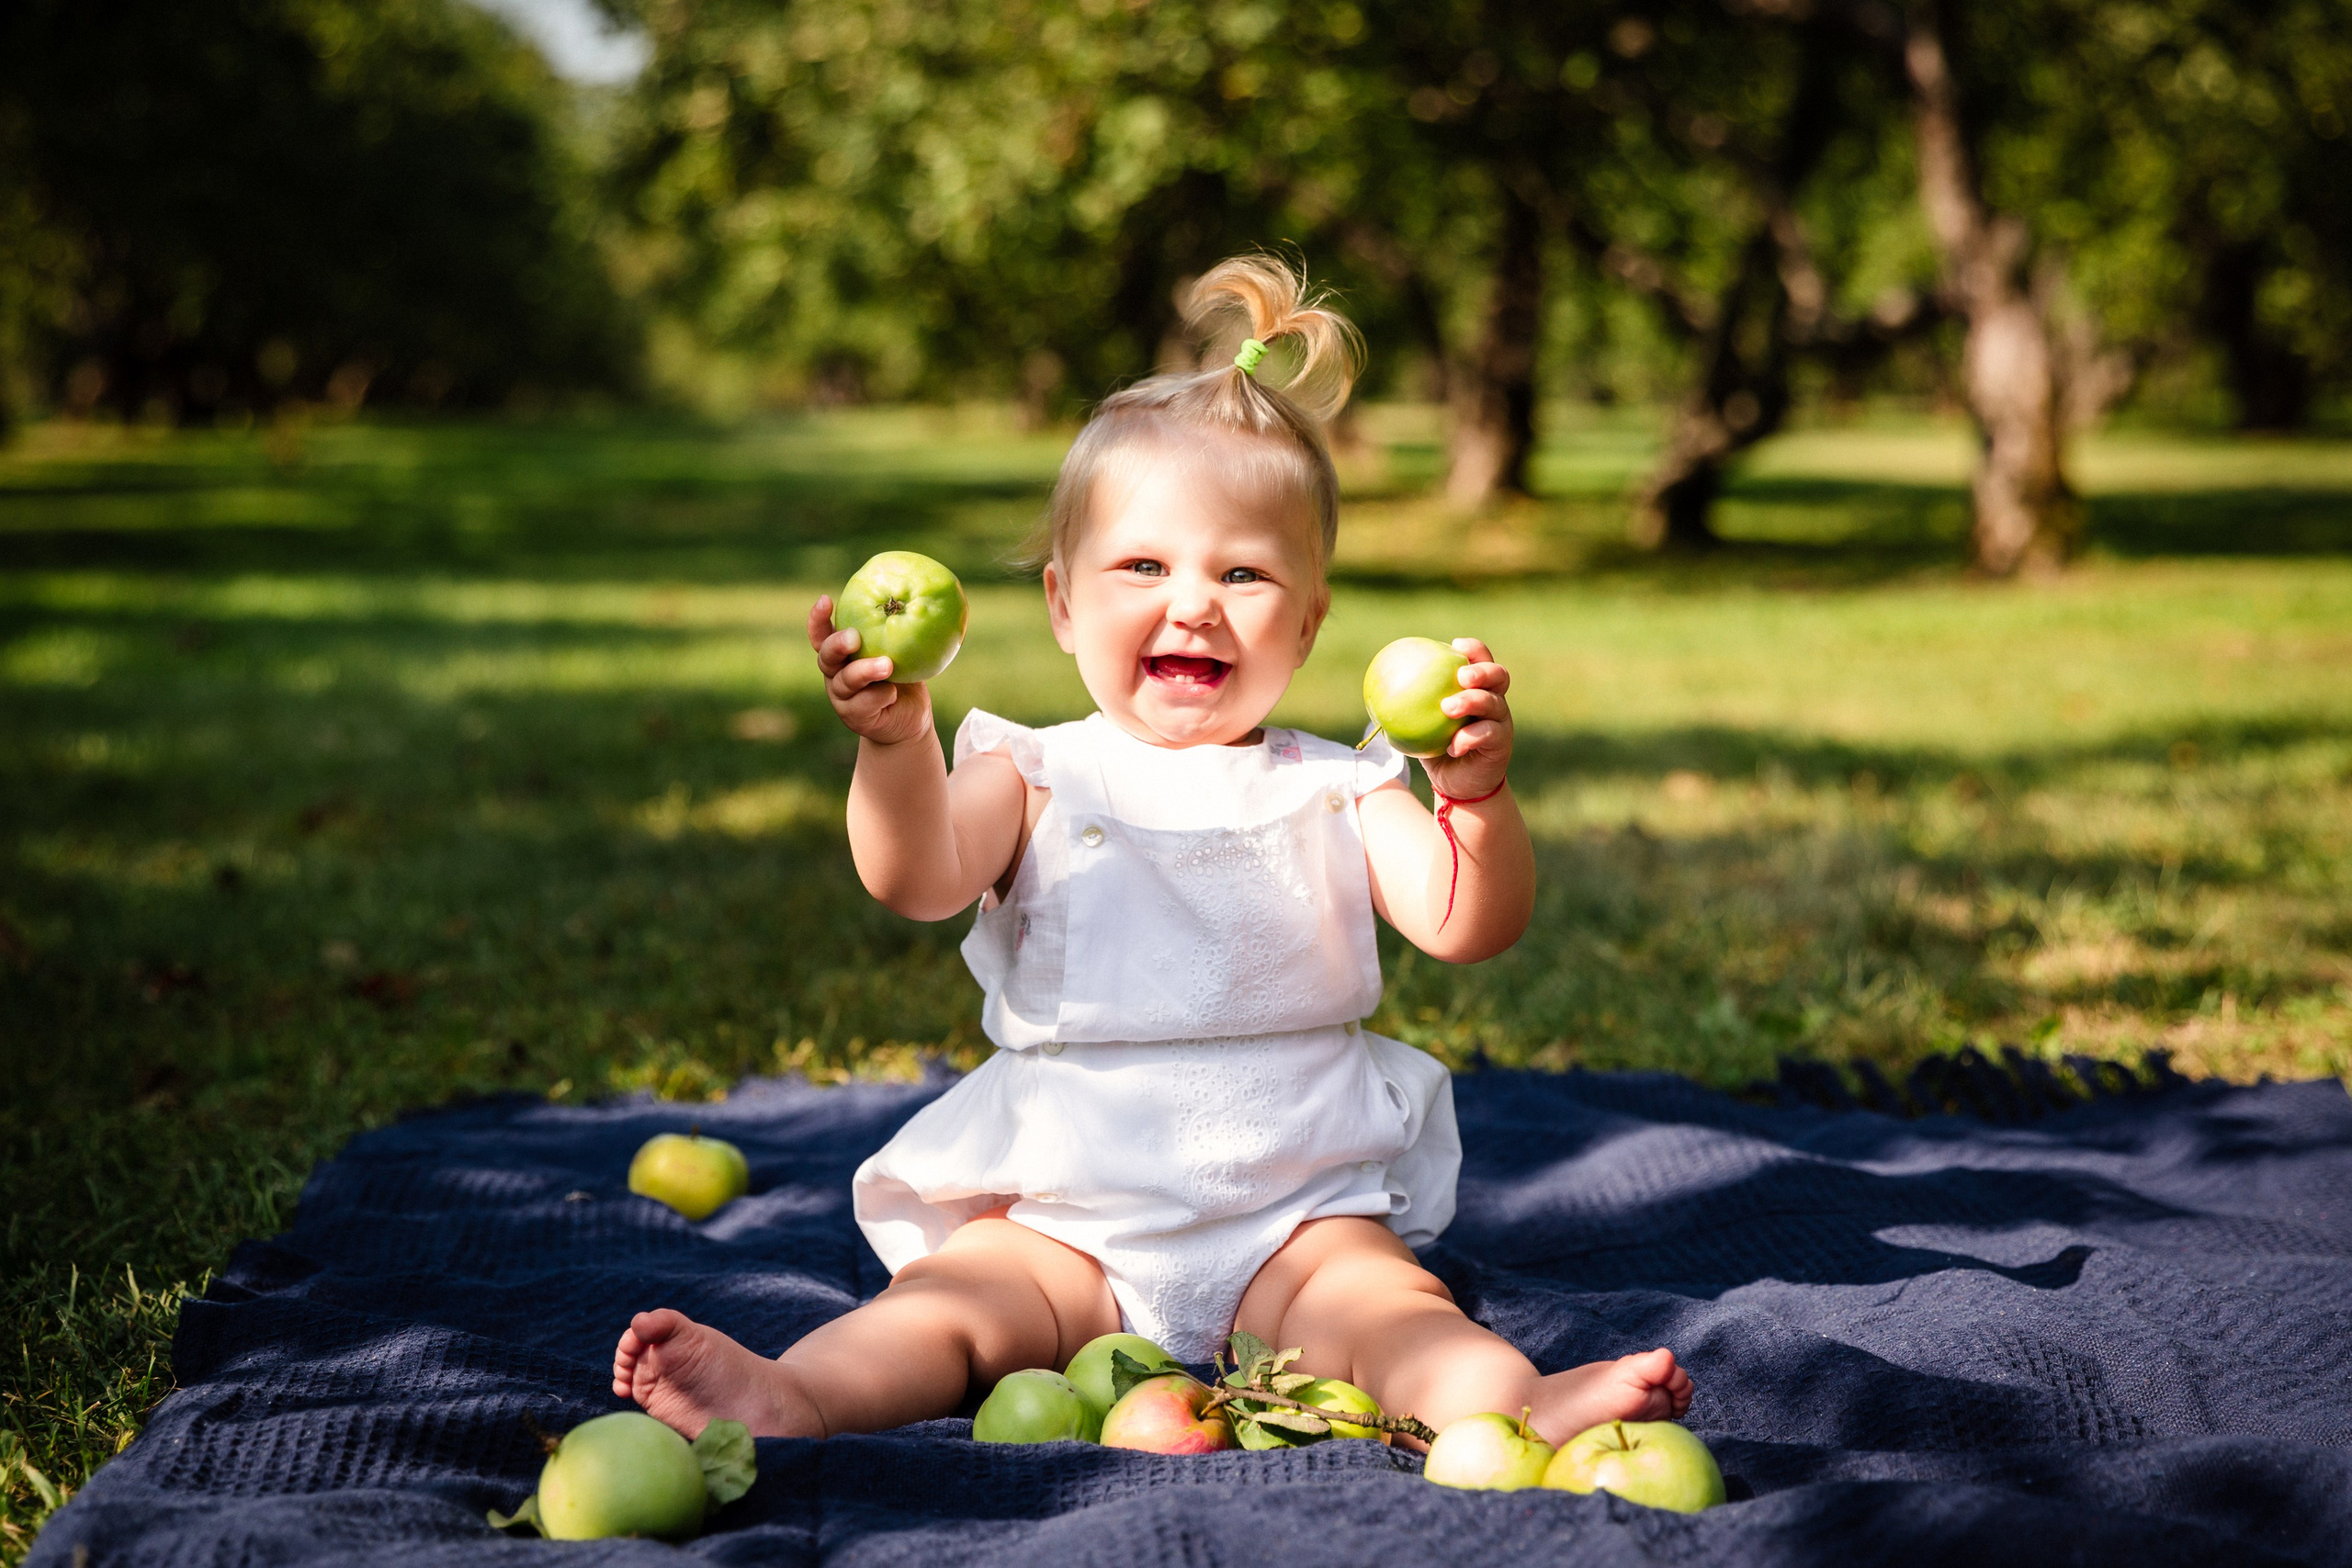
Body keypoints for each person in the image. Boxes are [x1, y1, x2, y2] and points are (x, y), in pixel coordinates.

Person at [613, 256, 1692, 1447]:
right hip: (1068, 1217)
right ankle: (798, 1394)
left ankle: (1518, 1405)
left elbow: (1467, 922)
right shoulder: (1031, 772)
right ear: (1064, 603)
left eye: (1243, 572)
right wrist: (897, 744)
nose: (1194, 604)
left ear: (1311, 617)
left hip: (1297, 1214)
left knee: (1393, 1312)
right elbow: (913, 876)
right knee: (951, 1307)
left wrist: (1472, 797)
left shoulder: (1339, 780)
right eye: (1144, 567)